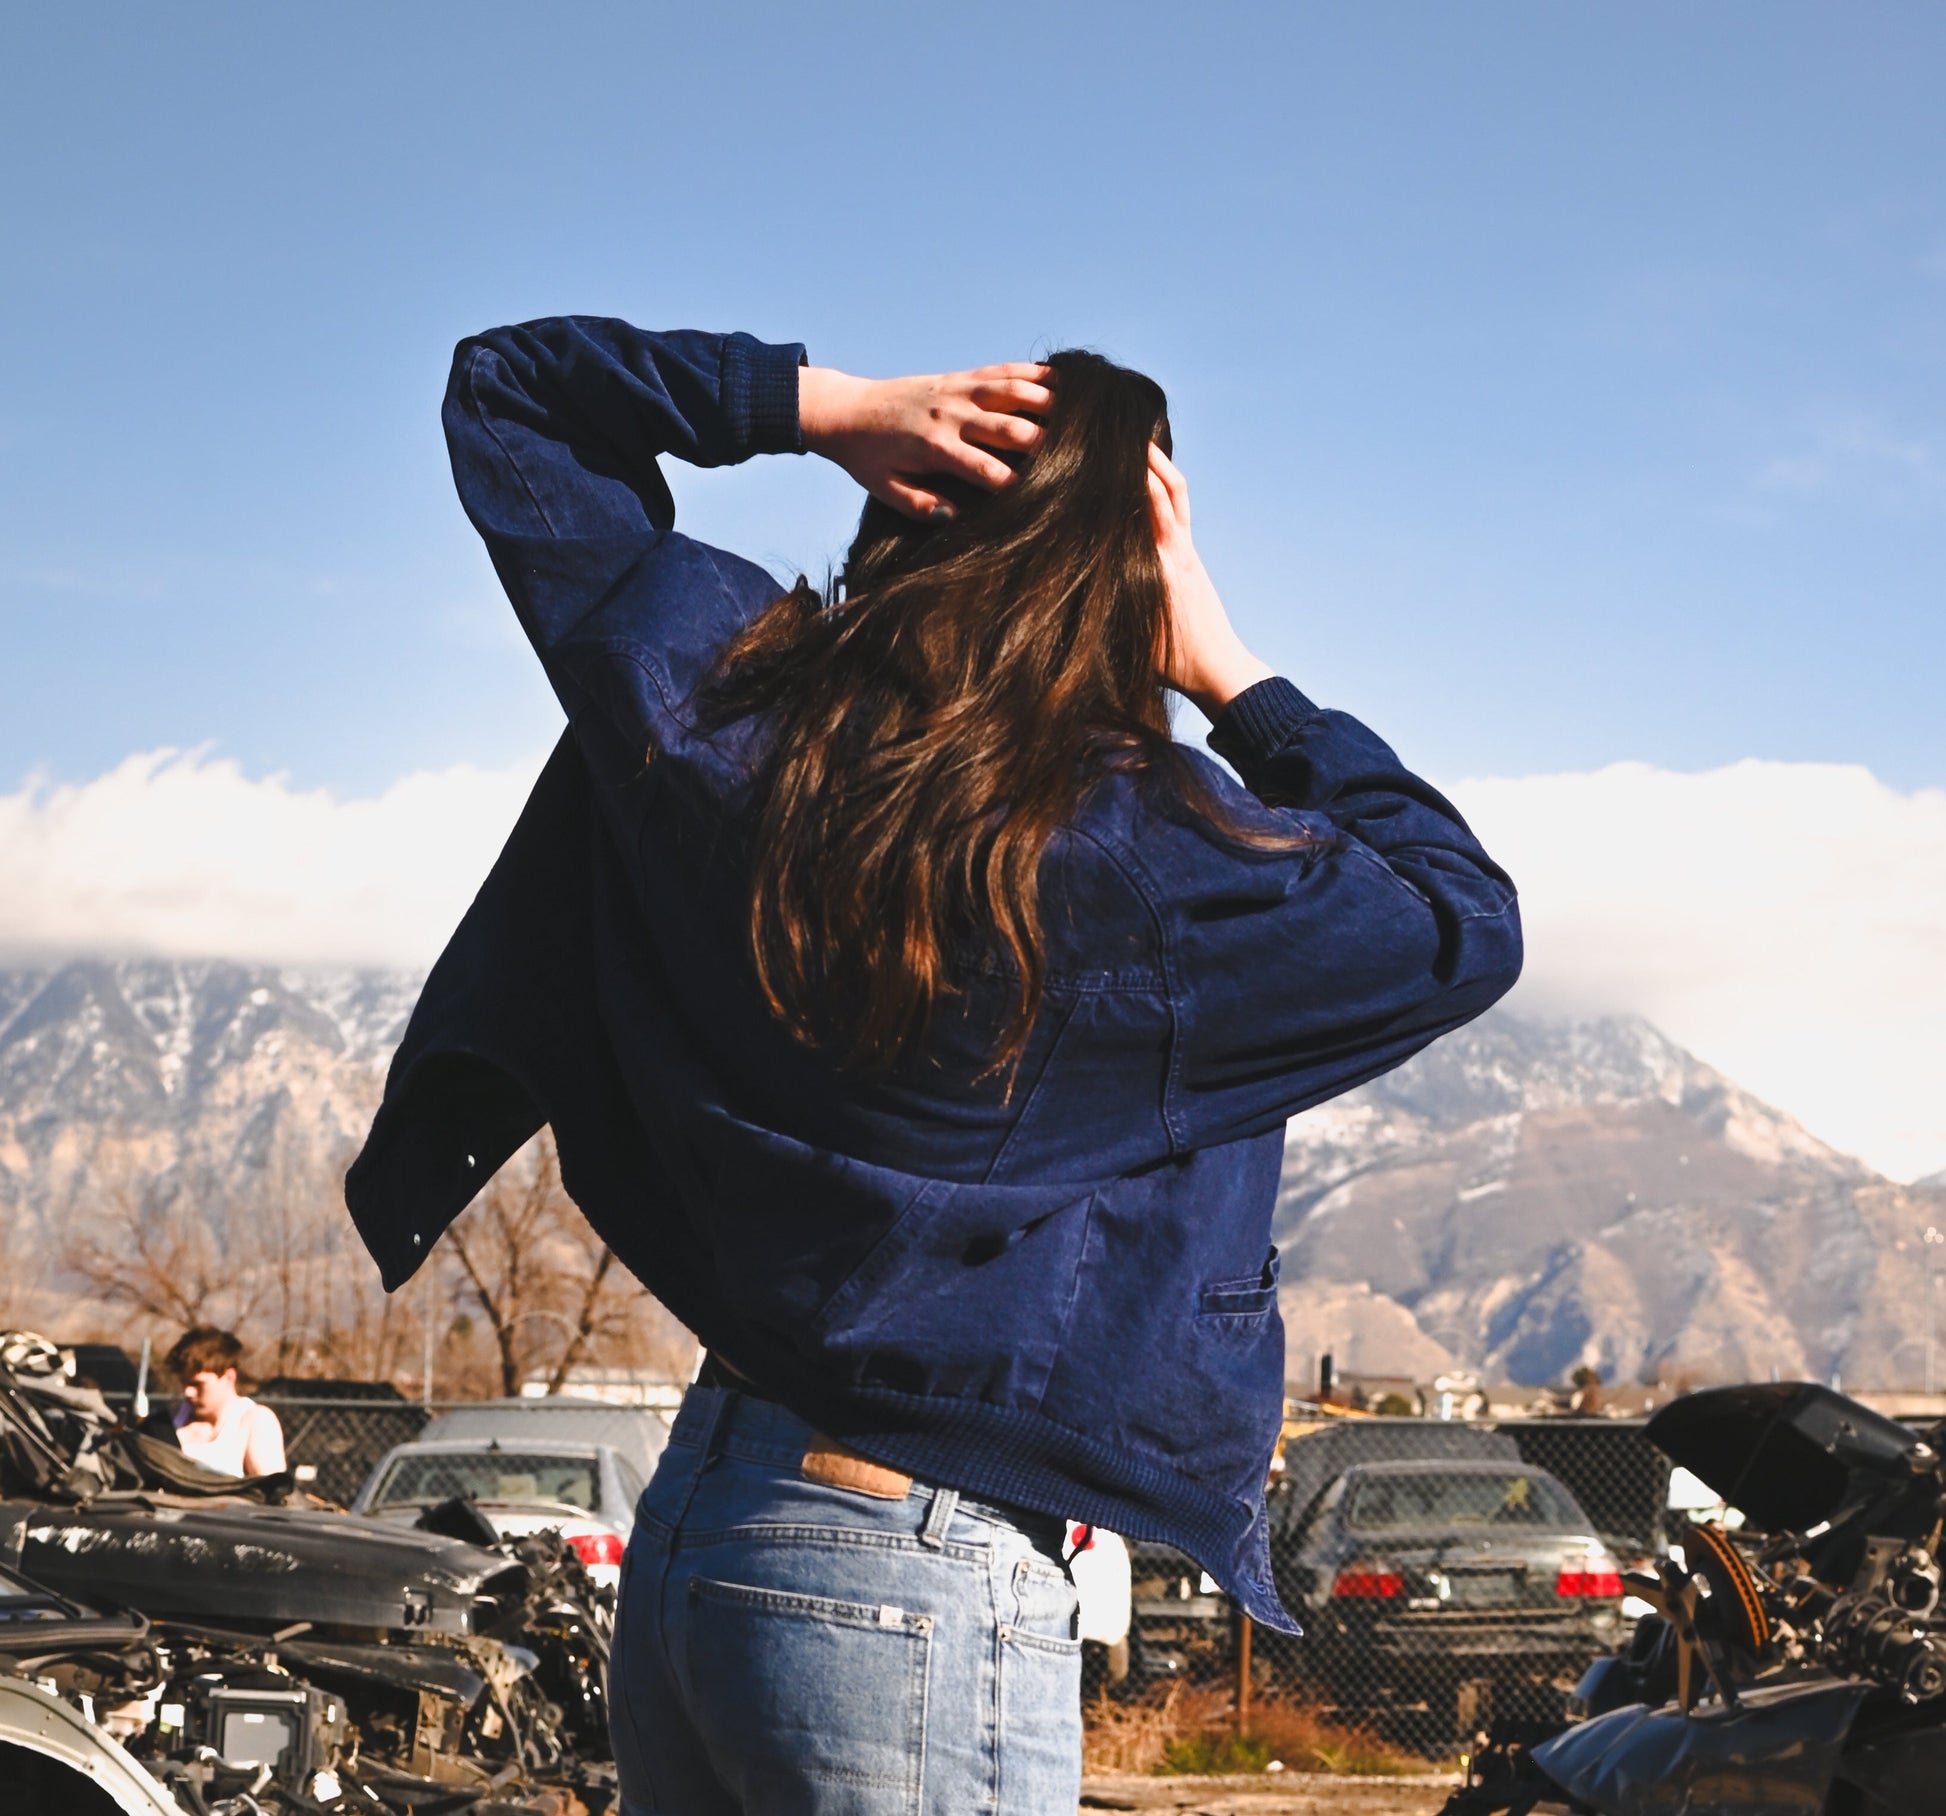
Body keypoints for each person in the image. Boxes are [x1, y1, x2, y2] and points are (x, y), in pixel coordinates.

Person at [347, 319, 1522, 1813]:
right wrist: (1230, 668)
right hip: (912, 1556)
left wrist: (820, 407)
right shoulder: (1138, 861)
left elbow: (510, 390)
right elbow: (1457, 918)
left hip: (705, 1508)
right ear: (1130, 566)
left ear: (909, 489)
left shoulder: (725, 702)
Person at [165, 1327, 286, 1478]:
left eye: (197, 1384)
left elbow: (272, 1489)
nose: (188, 1392)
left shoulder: (255, 1421)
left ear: (229, 1376)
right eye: (184, 1383)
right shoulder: (167, 1422)